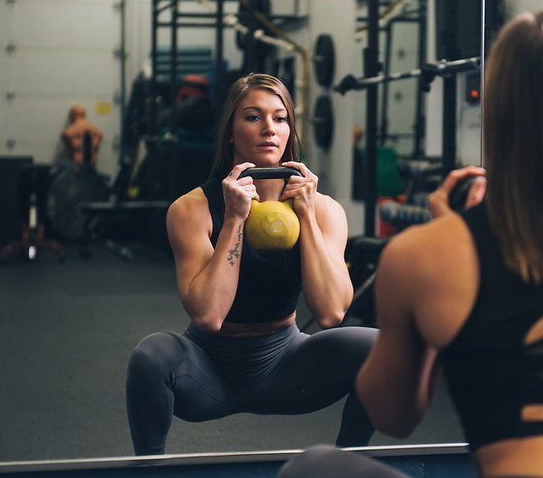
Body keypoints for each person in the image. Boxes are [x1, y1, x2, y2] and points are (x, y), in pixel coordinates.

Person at [278, 7, 543, 477]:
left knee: (315, 468)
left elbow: (393, 416)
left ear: (499, 107)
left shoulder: (425, 254)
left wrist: (442, 246)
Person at [125, 73, 377, 456]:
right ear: (230, 131)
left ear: (290, 130)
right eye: (253, 117)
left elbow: (331, 313)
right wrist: (233, 219)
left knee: (380, 348)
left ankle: (347, 466)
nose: (269, 129)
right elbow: (209, 316)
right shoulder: (190, 209)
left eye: (280, 118)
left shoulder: (324, 209)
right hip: (208, 370)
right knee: (150, 357)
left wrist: (306, 216)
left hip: (287, 366)